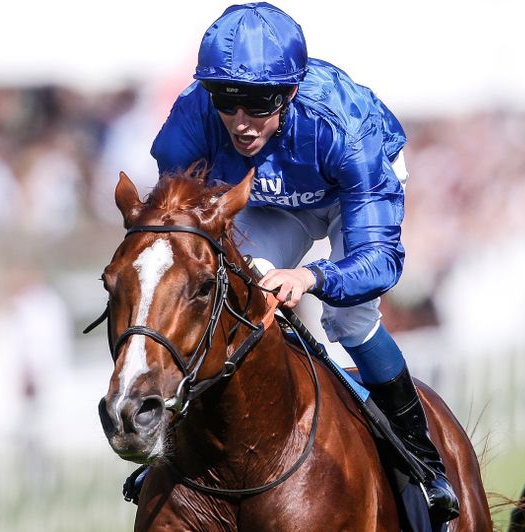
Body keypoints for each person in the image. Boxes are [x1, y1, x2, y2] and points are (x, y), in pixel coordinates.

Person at [144, 2, 458, 521]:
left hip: (343, 191)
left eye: (260, 103)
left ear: (290, 91)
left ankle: (422, 463)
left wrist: (312, 276)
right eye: (227, 100)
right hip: (269, 200)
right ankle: (180, 442)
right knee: (232, 292)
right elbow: (181, 241)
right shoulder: (188, 125)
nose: (241, 123)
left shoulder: (344, 128)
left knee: (350, 318)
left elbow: (378, 261)